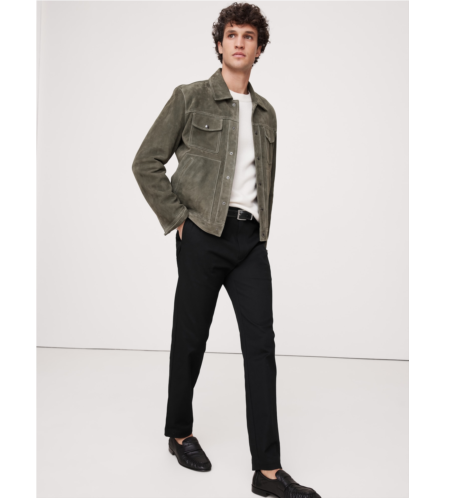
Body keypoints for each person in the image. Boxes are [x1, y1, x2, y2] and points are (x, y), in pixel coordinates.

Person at [132, 3, 321, 497]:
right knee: (190, 338)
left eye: (248, 36)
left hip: (250, 241)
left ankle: (268, 471)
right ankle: (179, 433)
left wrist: (261, 230)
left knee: (261, 347)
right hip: (203, 234)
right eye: (232, 34)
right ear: (219, 44)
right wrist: (178, 219)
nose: (239, 42)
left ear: (259, 49)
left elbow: (261, 181)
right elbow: (146, 161)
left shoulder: (266, 113)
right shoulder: (190, 97)